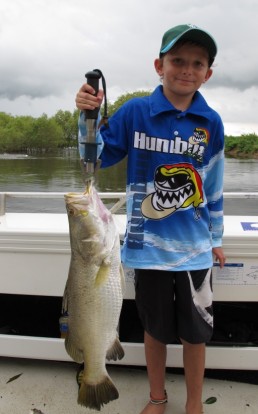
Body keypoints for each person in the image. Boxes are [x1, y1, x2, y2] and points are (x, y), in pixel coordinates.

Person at [75, 24, 226, 414]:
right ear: (159, 65)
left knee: (195, 336)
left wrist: (216, 237)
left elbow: (213, 186)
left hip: (195, 253)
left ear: (207, 73)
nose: (186, 70)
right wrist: (85, 116)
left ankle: (195, 403)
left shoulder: (211, 123)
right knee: (154, 332)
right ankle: (157, 398)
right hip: (144, 251)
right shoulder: (135, 112)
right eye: (177, 61)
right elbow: (97, 157)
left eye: (197, 63)